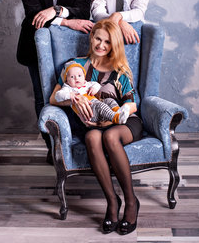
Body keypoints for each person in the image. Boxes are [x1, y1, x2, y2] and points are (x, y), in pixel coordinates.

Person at [50, 19, 143, 235]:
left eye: (107, 42)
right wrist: (73, 99)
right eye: (98, 39)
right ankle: (112, 202)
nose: (101, 45)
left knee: (110, 137)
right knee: (92, 138)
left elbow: (132, 104)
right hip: (94, 124)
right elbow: (54, 97)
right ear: (91, 38)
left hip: (123, 122)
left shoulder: (119, 71)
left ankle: (131, 202)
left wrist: (116, 116)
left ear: (113, 45)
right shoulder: (75, 66)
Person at [16, 0, 94, 163]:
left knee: (71, 94)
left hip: (70, 51)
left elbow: (85, 9)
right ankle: (53, 147)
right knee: (42, 97)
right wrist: (66, 20)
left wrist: (56, 10)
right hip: (34, 46)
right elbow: (33, 13)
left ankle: (71, 143)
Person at [55, 62, 130, 125]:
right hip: (89, 113)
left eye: (79, 76)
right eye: (72, 77)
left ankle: (118, 112)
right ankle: (116, 118)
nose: (76, 78)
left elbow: (96, 84)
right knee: (100, 106)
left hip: (97, 106)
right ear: (67, 80)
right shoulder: (68, 88)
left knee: (109, 100)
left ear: (84, 77)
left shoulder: (86, 84)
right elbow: (57, 96)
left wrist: (94, 88)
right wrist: (69, 95)